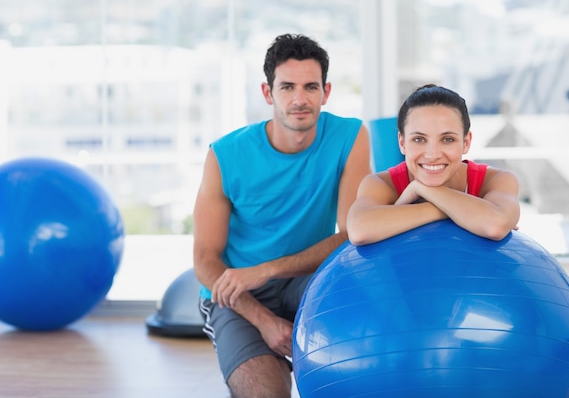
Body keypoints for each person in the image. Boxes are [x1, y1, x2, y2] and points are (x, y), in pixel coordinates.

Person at [192, 33, 371, 398]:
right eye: (287, 86)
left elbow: (353, 231)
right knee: (265, 393)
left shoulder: (349, 135)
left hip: (307, 281)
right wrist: (264, 320)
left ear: (326, 91)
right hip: (236, 293)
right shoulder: (225, 155)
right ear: (267, 92)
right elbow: (204, 260)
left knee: (363, 360)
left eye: (310, 87)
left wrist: (270, 268)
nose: (300, 99)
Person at [347, 84, 520, 246]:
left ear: (466, 142)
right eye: (419, 139)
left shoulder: (497, 180)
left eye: (447, 139)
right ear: (402, 143)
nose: (433, 154)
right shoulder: (381, 184)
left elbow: (495, 225)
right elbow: (359, 229)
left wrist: (420, 189)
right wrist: (462, 212)